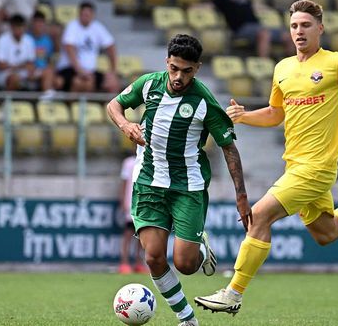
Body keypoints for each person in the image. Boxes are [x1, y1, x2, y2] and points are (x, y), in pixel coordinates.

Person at [194, 0, 338, 315]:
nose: (299, 31)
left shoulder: (337, 63)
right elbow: (276, 113)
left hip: (318, 168)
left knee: (259, 216)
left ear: (320, 28)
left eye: (306, 25)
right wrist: (244, 117)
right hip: (295, 165)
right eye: (294, 26)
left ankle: (233, 292)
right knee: (328, 232)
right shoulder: (282, 68)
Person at [106, 34, 251, 326]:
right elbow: (114, 105)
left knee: (185, 264)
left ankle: (199, 247)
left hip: (187, 187)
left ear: (196, 68)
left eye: (186, 71)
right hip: (148, 182)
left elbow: (228, 147)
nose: (178, 77)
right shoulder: (149, 84)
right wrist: (126, 125)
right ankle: (187, 319)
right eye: (174, 68)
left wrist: (241, 197)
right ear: (167, 63)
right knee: (154, 257)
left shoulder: (204, 101)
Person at [55, 1, 120, 93]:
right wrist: (80, 71)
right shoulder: (72, 26)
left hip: (90, 71)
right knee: (80, 82)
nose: (85, 17)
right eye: (83, 14)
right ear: (79, 14)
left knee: (112, 84)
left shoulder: (97, 27)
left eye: (88, 15)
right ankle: (77, 105)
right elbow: (69, 49)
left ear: (93, 15)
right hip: (70, 69)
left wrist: (113, 71)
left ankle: (111, 107)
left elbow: (111, 47)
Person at [209, 0, 294, 57]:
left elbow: (257, 6)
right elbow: (209, 6)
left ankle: (289, 66)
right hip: (240, 29)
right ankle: (264, 65)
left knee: (287, 35)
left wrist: (274, 10)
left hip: (256, 26)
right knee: (264, 34)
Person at [118, 152, 148, 274]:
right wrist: (123, 201)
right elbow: (124, 183)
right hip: (131, 202)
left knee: (142, 236)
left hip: (144, 203)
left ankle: (138, 263)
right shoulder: (129, 163)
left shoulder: (148, 160)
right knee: (128, 234)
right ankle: (124, 263)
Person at [0, 14, 35, 90]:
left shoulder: (29, 40)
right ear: (12, 27)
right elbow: (1, 66)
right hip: (2, 74)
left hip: (22, 73)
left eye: (21, 26)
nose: (19, 29)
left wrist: (16, 67)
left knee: (48, 72)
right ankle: (7, 100)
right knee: (14, 78)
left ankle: (45, 100)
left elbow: (30, 65)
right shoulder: (2, 40)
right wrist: (21, 66)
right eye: (17, 26)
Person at [28, 10, 56, 99]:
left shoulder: (47, 41)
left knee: (55, 78)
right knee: (48, 72)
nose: (39, 25)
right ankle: (47, 99)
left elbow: (49, 59)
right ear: (33, 23)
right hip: (30, 69)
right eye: (37, 22)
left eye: (41, 22)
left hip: (42, 71)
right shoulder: (26, 38)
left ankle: (47, 97)